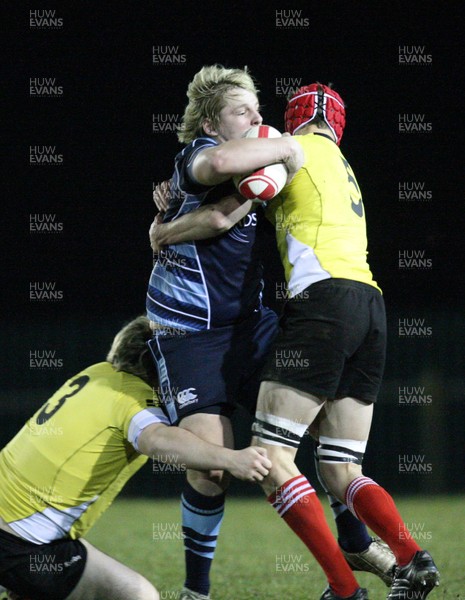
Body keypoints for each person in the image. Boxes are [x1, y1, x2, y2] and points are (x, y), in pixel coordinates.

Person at [146, 64, 376, 600]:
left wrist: (160, 229)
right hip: (190, 334)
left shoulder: (265, 163)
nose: (257, 119)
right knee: (211, 469)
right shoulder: (196, 159)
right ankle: (196, 591)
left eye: (258, 109)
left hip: (250, 324)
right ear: (210, 122)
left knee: (323, 432)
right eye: (241, 111)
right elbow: (219, 217)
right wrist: (163, 233)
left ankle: (354, 538)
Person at [251, 83, 440, 600]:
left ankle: (343, 589)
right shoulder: (342, 163)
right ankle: (411, 557)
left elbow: (252, 186)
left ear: (292, 121)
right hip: (371, 306)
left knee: (269, 456)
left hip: (324, 302)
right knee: (339, 467)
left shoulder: (292, 148)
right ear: (339, 124)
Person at [0, 316, 272, 600]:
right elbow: (158, 440)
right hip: (23, 539)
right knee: (139, 595)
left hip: (19, 527)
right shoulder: (133, 396)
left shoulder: (97, 373)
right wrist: (233, 459)